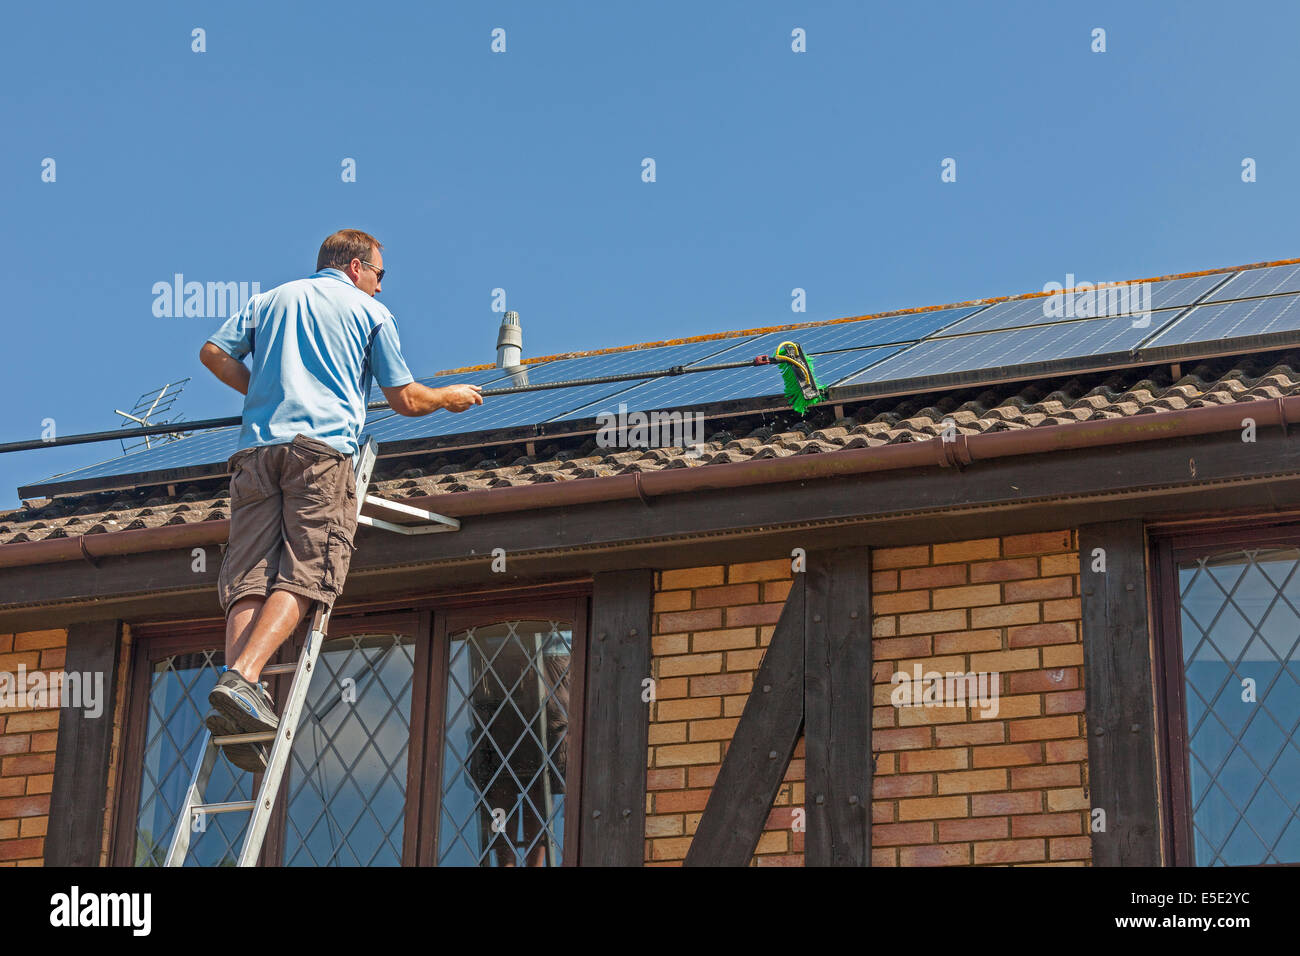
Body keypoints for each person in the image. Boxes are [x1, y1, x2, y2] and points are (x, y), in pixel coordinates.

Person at [198, 228, 482, 770]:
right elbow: (404, 399)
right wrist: (449, 396)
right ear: (356, 268)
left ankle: (238, 699)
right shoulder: (368, 313)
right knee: (309, 572)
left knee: (249, 576)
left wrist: (266, 391)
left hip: (256, 454)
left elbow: (212, 353)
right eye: (379, 274)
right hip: (319, 455)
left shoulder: (271, 299)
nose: (380, 286)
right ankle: (243, 678)